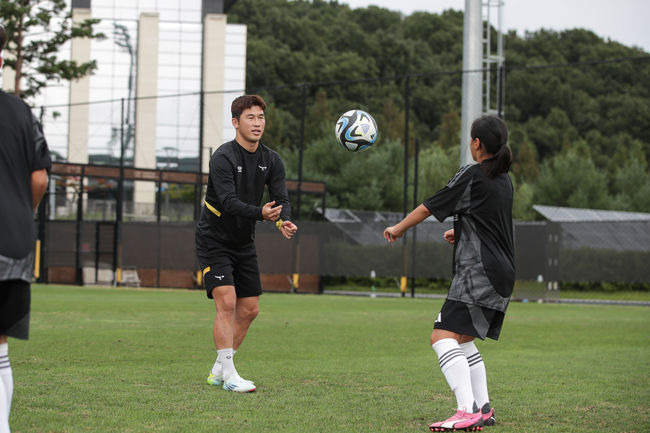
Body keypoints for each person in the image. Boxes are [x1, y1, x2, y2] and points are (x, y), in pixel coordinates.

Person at [384, 115, 514, 432]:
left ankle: (465, 410)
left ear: (476, 144)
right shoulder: (503, 179)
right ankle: (482, 408)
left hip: (479, 271)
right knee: (463, 340)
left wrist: (399, 228)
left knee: (441, 336)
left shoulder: (473, 174)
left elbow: (430, 206)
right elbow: (488, 221)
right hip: (502, 271)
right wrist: (462, 232)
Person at [195, 94, 297, 393]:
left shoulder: (271, 159)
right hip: (214, 238)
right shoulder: (223, 157)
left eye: (261, 117)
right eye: (250, 117)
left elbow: (281, 198)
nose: (257, 123)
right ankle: (229, 376)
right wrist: (262, 215)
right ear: (235, 122)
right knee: (226, 302)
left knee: (250, 309)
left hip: (243, 241)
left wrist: (282, 220)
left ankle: (218, 368)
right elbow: (227, 202)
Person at [0, 23, 52, 433]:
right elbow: (40, 180)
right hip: (15, 239)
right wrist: (22, 211)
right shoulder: (21, 111)